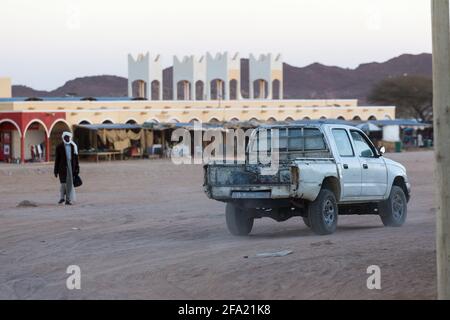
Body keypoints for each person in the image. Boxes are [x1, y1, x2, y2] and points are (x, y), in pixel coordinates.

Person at [54, 132, 79, 205]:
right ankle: (62, 198)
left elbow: (76, 159)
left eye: (68, 137)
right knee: (63, 183)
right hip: (62, 168)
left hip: (71, 167)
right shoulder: (59, 147)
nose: (67, 138)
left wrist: (77, 168)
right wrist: (55, 171)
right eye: (66, 137)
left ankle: (67, 200)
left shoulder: (73, 146)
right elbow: (57, 159)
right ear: (63, 138)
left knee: (69, 184)